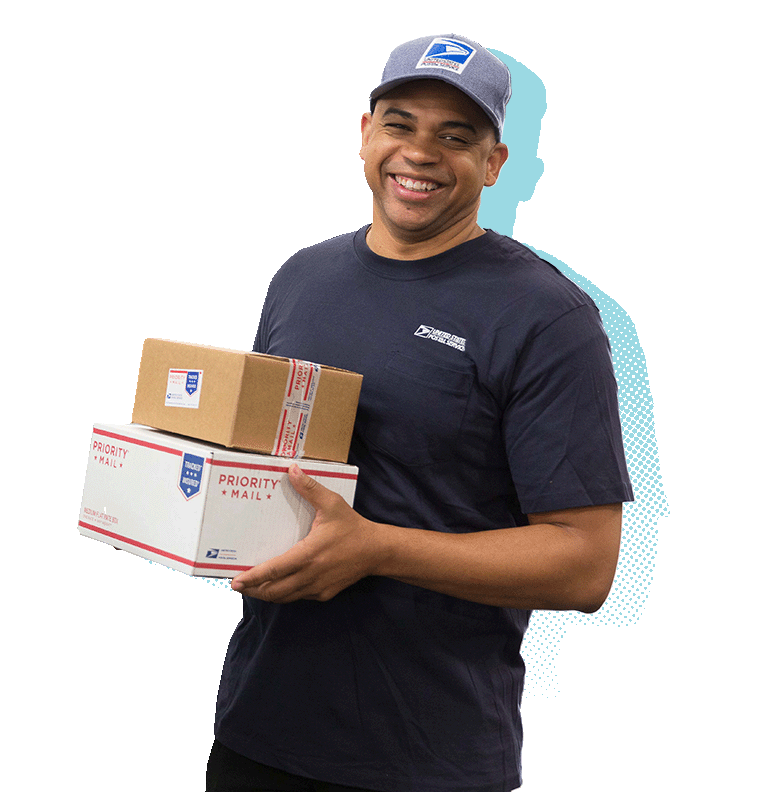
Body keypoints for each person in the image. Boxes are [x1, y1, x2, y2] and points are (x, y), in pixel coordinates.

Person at [207, 34, 634, 792]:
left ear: (495, 164)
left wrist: (376, 548)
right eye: (401, 124)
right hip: (259, 735)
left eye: (456, 136)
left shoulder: (545, 316)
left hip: (428, 757)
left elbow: (586, 563)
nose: (421, 152)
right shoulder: (302, 278)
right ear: (364, 134)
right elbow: (267, 463)